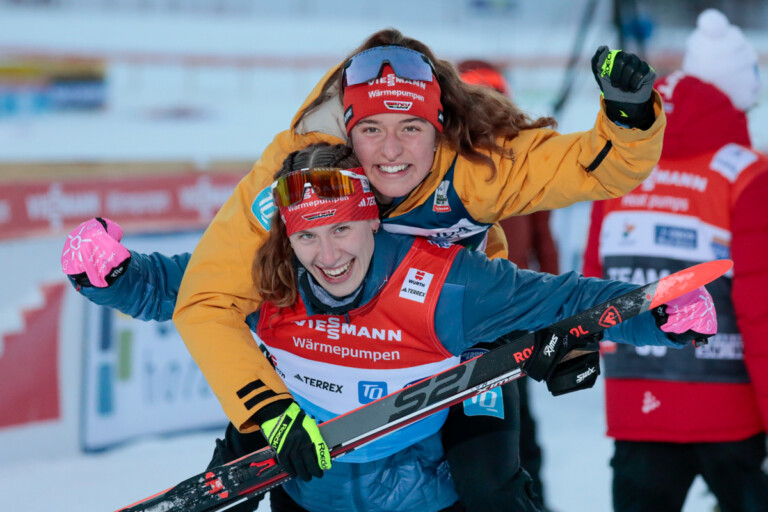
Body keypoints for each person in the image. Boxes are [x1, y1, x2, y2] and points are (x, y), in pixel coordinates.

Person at [64, 143, 715, 512]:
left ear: (372, 219)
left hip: (425, 490)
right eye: (308, 236)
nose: (328, 256)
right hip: (309, 485)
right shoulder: (266, 277)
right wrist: (109, 274)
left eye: (342, 229)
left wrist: (660, 313)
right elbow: (171, 288)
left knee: (494, 489)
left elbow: (566, 300)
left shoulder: (447, 284)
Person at [169, 29, 666, 511]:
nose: (391, 151)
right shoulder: (303, 171)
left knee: (490, 486)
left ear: (439, 127)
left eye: (410, 127)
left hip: (459, 337)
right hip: (331, 349)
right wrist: (269, 409)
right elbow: (209, 293)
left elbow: (592, 166)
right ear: (347, 129)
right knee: (293, 467)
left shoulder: (475, 164)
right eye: (371, 130)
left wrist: (630, 114)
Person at [582, 9, 768, 512]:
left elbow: (591, 284)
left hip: (636, 404)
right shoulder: (747, 174)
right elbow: (761, 312)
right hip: (730, 411)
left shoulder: (622, 167)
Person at [457, 58, 558, 509]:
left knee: (511, 426)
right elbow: (545, 245)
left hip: (503, 316)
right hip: (470, 320)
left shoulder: (517, 162)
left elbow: (544, 243)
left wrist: (556, 312)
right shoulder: (444, 161)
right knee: (505, 426)